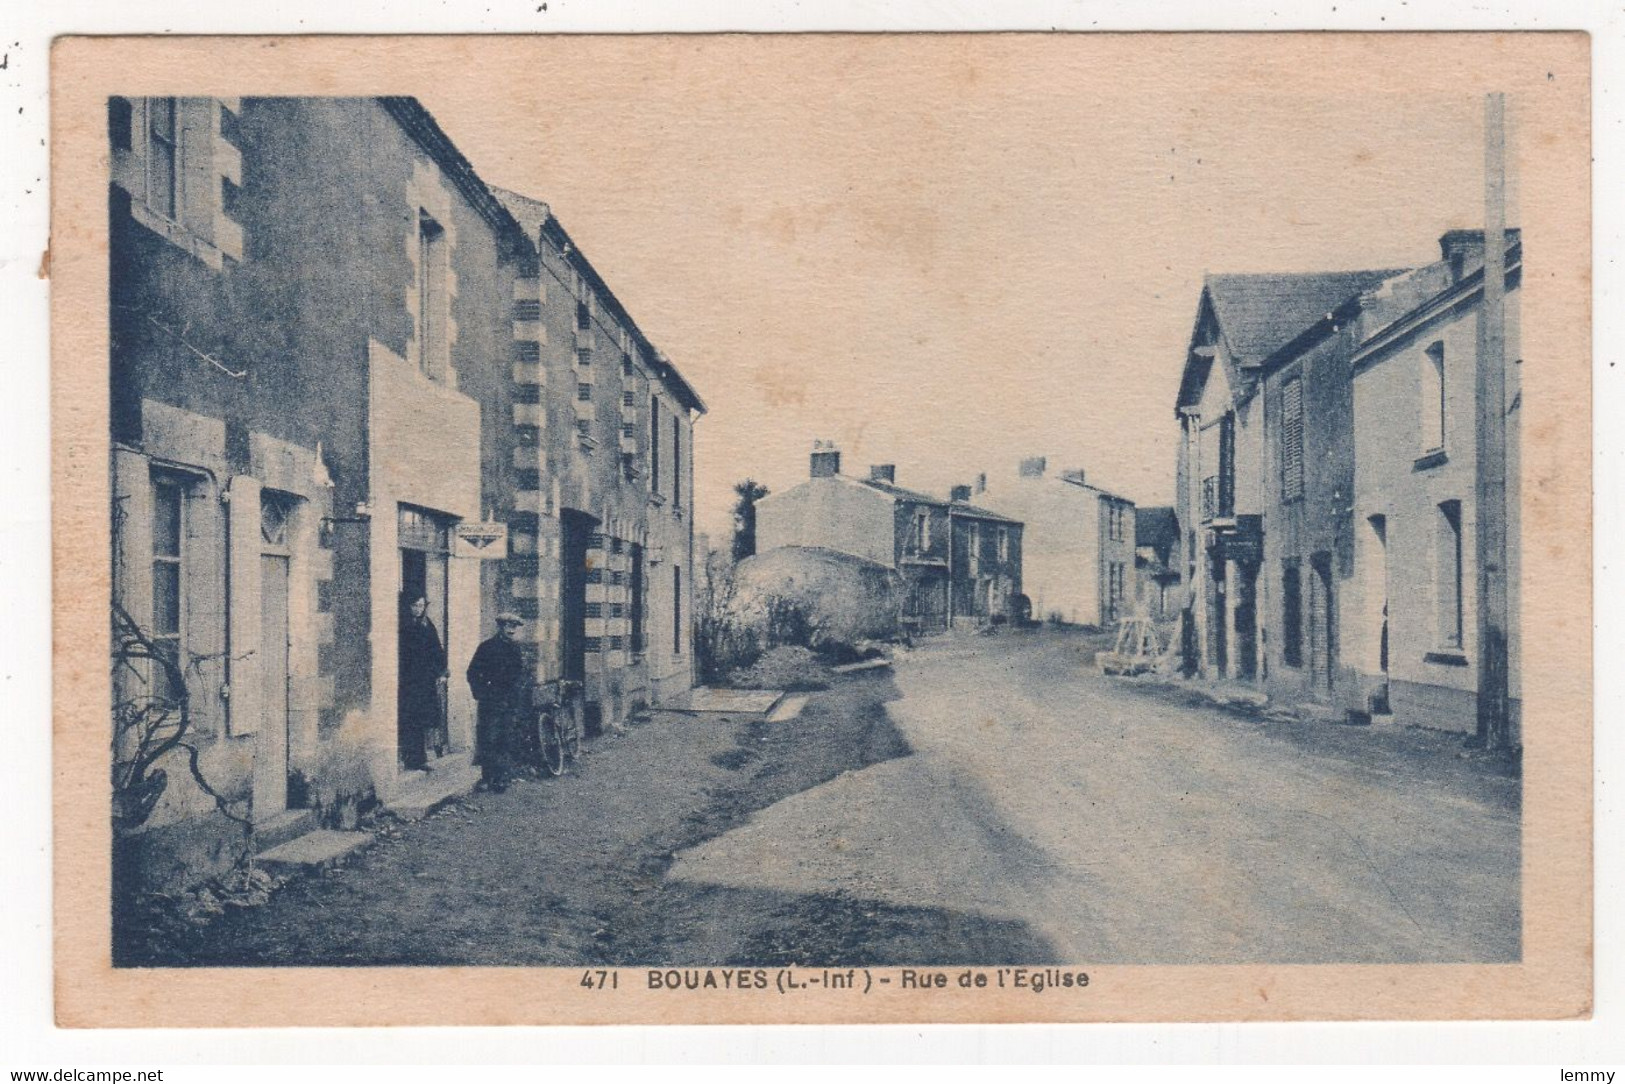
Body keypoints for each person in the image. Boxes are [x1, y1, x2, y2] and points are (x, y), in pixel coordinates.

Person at [467, 611, 527, 792]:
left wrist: (515, 698)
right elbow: (472, 673)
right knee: (488, 738)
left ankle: (502, 778)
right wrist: (480, 693)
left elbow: (519, 676)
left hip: (508, 701)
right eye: (508, 626)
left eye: (514, 627)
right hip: (490, 701)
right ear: (500, 627)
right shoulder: (487, 648)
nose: (512, 630)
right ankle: (487, 777)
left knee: (505, 739)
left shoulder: (515, 649)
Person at [397, 595, 446, 771]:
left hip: (423, 681)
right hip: (407, 681)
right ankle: (409, 758)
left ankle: (419, 758)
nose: (418, 609)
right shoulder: (403, 625)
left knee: (420, 719)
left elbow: (437, 649)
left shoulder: (427, 625)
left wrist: (439, 670)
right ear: (408, 606)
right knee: (408, 718)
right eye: (414, 605)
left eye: (421, 605)